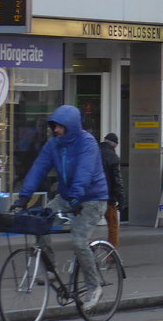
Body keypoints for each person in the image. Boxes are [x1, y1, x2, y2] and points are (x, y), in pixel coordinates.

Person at [14, 105, 109, 306]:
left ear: (71, 126)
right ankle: (51, 269)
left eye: (60, 126)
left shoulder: (87, 143)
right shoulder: (54, 144)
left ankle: (94, 286)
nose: (56, 130)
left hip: (92, 199)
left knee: (78, 241)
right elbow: (39, 168)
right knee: (40, 222)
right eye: (54, 126)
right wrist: (24, 196)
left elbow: (85, 171)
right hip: (67, 197)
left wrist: (76, 196)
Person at [99, 132, 125, 248]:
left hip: (93, 197)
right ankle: (112, 254)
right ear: (115, 145)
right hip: (108, 198)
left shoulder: (94, 152)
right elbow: (117, 181)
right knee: (113, 226)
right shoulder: (113, 157)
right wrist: (121, 198)